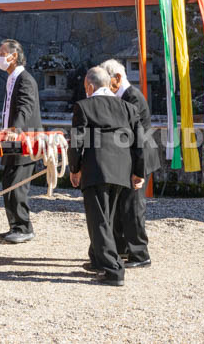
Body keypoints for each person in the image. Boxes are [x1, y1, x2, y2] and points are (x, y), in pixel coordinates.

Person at [68, 66, 145, 287]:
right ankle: (97, 259)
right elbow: (140, 142)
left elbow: (77, 141)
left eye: (86, 87)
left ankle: (113, 270)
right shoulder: (128, 108)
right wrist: (139, 172)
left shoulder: (84, 106)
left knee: (98, 220)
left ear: (90, 86)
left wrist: (74, 169)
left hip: (96, 168)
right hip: (122, 169)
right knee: (107, 217)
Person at [100, 59, 161, 268]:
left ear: (117, 78)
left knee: (133, 207)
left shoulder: (132, 96)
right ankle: (122, 249)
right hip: (126, 159)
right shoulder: (120, 96)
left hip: (139, 158)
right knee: (120, 208)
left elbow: (133, 134)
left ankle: (140, 253)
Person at [0, 39, 42, 243]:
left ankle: (24, 227)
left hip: (23, 141)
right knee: (8, 183)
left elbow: (25, 106)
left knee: (17, 186)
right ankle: (15, 225)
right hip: (12, 140)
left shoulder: (25, 79)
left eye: (2, 52)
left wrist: (16, 128)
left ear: (13, 56)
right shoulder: (12, 78)